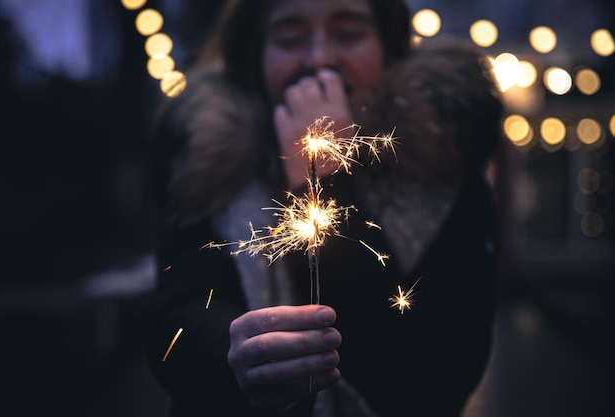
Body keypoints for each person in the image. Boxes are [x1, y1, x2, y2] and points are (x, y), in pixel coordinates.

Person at [146, 0, 504, 416]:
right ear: (255, 54)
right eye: (289, 38)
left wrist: (325, 181)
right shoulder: (202, 162)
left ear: (387, 48)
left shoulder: (444, 166)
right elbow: (177, 318)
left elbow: (439, 376)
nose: (319, 60)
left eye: (349, 34)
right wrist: (232, 355)